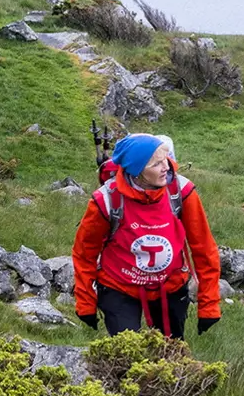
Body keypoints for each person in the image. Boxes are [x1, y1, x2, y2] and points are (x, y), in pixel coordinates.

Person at [72, 134, 222, 339]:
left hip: (170, 286)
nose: (167, 167)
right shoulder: (106, 199)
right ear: (137, 171)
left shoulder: (182, 192)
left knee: (171, 358)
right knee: (125, 357)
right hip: (119, 287)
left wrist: (209, 305)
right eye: (156, 164)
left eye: (166, 160)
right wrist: (85, 303)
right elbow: (84, 253)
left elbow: (204, 248)